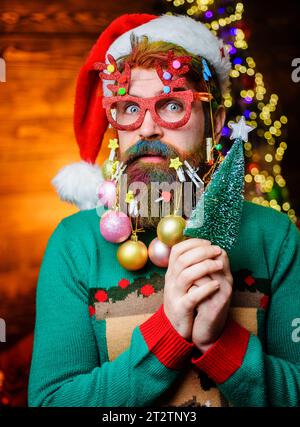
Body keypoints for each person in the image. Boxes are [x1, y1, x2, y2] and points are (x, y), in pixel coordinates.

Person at [28, 13, 300, 407]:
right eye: (128, 108)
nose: (147, 129)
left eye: (172, 105)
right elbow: (51, 401)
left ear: (215, 120)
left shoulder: (275, 238)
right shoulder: (73, 246)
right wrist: (169, 334)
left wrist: (219, 343)